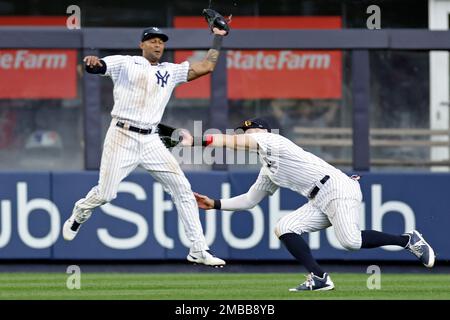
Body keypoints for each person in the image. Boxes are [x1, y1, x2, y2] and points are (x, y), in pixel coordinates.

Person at [191, 118, 435, 290]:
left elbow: (234, 143)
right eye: (243, 132)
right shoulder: (268, 169)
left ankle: (408, 240)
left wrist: (197, 140)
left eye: (249, 130)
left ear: (263, 131)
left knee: (350, 242)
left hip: (336, 187)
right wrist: (215, 203)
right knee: (284, 227)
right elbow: (250, 200)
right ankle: (319, 277)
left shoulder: (275, 142)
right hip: (318, 198)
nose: (245, 135)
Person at [62, 26, 227, 267]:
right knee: (106, 194)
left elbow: (207, 67)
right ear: (142, 45)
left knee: (183, 190)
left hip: (151, 140)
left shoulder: (170, 71)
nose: (157, 45)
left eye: (161, 41)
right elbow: (97, 66)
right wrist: (92, 63)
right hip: (122, 135)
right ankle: (80, 212)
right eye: (152, 41)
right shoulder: (126, 63)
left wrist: (218, 38)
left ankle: (199, 250)